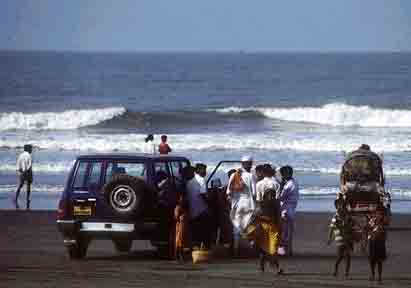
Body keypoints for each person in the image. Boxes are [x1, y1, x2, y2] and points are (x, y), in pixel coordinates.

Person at [250, 164, 283, 274]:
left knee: (264, 245)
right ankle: (276, 268)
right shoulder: (276, 184)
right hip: (273, 219)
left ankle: (263, 266)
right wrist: (279, 220)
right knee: (273, 247)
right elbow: (278, 203)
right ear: (272, 172)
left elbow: (258, 202)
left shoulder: (259, 184)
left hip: (263, 219)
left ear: (263, 173)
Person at [226, 155, 256, 257]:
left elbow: (228, 192)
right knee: (249, 227)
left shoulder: (234, 175)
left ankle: (236, 250)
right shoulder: (250, 176)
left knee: (236, 227)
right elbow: (255, 193)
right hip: (248, 204)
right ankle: (252, 250)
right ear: (250, 164)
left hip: (236, 205)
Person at [183, 165, 210, 248]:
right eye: (203, 170)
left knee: (196, 232)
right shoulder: (202, 180)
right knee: (205, 232)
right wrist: (208, 204)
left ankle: (196, 247)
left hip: (193, 211)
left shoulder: (189, 182)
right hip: (202, 210)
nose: (205, 172)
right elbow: (203, 194)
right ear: (197, 170)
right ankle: (204, 248)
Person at [328, 201, 354, 279]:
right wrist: (329, 238)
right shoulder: (335, 218)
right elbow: (331, 228)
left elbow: (352, 226)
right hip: (340, 240)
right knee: (340, 257)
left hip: (348, 239)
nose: (341, 208)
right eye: (340, 207)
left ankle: (346, 274)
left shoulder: (348, 217)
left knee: (348, 257)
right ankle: (335, 270)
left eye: (342, 207)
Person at [277, 165, 299, 256]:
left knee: (284, 231)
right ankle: (288, 250)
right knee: (288, 232)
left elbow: (280, 197)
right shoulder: (294, 182)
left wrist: (281, 185)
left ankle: (285, 251)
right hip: (291, 209)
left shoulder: (289, 185)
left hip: (286, 209)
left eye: (282, 174)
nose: (281, 176)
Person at [366, 207, 389, 283]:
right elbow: (367, 228)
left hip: (380, 243)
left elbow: (385, 230)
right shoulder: (372, 221)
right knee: (372, 261)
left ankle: (379, 277)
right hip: (372, 242)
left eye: (380, 214)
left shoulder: (384, 222)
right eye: (377, 213)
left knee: (379, 261)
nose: (378, 215)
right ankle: (372, 275)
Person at [15, 144, 33, 209]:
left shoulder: (20, 155)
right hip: (28, 172)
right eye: (31, 149)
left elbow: (18, 164)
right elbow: (29, 165)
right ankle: (27, 199)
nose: (31, 150)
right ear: (28, 149)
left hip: (22, 172)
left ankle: (16, 197)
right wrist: (28, 172)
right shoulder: (29, 155)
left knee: (20, 185)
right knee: (28, 186)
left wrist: (20, 171)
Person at [174, 193, 188, 263]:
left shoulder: (185, 209)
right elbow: (176, 218)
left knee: (182, 242)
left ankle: (181, 256)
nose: (182, 200)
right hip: (179, 227)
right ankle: (177, 256)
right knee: (178, 241)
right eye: (181, 198)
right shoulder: (178, 207)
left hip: (184, 227)